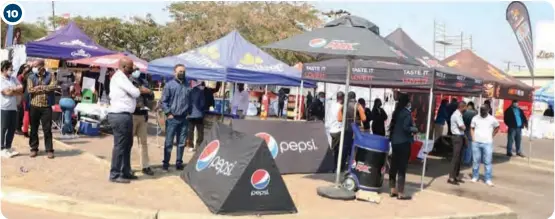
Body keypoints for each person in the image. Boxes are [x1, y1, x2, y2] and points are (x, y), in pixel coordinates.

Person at [107, 58, 150, 183]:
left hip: (125, 115)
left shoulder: (124, 78)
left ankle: (125, 171)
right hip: (119, 115)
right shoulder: (119, 77)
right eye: (131, 67)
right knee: (120, 146)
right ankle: (115, 174)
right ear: (124, 67)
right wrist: (142, 90)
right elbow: (135, 93)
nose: (133, 69)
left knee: (127, 145)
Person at [160, 64, 191, 172]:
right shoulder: (169, 85)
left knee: (181, 143)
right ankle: (166, 164)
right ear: (175, 72)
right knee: (169, 142)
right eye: (180, 71)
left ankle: (179, 163)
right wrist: (168, 113)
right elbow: (163, 101)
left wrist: (189, 113)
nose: (182, 73)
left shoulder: (188, 85)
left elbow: (190, 101)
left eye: (183, 71)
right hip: (172, 118)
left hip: (184, 119)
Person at [388, 93, 417, 200]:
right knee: (402, 168)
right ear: (407, 102)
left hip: (395, 142)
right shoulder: (406, 113)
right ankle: (400, 192)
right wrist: (414, 129)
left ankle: (392, 189)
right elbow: (406, 127)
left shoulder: (396, 112)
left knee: (394, 166)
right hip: (404, 142)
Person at [27, 60, 57, 159]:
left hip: (46, 106)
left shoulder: (50, 75)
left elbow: (53, 86)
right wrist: (44, 87)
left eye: (35, 66)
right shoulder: (31, 76)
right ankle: (34, 148)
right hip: (34, 105)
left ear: (41, 66)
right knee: (33, 129)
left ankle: (49, 150)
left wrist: (40, 87)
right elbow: (30, 89)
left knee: (47, 129)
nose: (33, 68)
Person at [129, 69, 154, 176]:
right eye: (135, 69)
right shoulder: (127, 81)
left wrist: (149, 92)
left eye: (138, 69)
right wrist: (138, 90)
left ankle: (145, 166)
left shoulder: (144, 81)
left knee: (143, 143)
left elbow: (151, 96)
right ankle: (127, 166)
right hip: (131, 115)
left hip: (143, 115)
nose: (137, 71)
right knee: (128, 143)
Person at [470, 106, 500, 186]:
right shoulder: (475, 118)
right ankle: (475, 176)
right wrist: (473, 138)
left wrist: (492, 135)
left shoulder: (492, 119)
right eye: (481, 110)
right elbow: (472, 128)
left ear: (488, 110)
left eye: (484, 110)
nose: (482, 111)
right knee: (476, 161)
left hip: (487, 143)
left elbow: (497, 127)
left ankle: (488, 179)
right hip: (476, 142)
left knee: (488, 161)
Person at [338, 92, 366, 171]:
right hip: (355, 130)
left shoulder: (343, 106)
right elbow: (364, 118)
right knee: (354, 149)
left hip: (345, 129)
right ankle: (352, 167)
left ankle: (341, 166)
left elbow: (339, 119)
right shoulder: (358, 106)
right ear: (355, 97)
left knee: (344, 148)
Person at [1, 60, 23, 158]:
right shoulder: (1, 80)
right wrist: (15, 90)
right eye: (10, 69)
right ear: (4, 69)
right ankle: (2, 148)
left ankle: (8, 147)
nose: (12, 71)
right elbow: (6, 93)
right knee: (3, 128)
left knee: (12, 128)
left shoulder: (13, 79)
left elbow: (21, 89)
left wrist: (12, 90)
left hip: (13, 107)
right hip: (3, 107)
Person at [448, 101, 467, 185]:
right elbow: (462, 127)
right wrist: (464, 127)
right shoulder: (456, 115)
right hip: (457, 137)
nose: (466, 109)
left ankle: (456, 176)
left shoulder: (459, 115)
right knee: (455, 157)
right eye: (465, 107)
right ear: (462, 107)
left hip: (460, 137)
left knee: (459, 157)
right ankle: (451, 177)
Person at [327, 91, 344, 172]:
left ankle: (332, 166)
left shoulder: (331, 105)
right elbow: (341, 120)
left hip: (330, 129)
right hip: (338, 130)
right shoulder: (341, 107)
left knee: (332, 149)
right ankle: (334, 167)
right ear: (342, 98)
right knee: (337, 150)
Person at [186, 80, 205, 152]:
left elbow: (186, 102)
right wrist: (200, 109)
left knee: (190, 130)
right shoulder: (200, 92)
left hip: (190, 114)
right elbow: (202, 103)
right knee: (200, 131)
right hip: (199, 114)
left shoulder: (189, 91)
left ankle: (190, 146)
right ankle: (199, 145)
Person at [16, 64, 31, 137]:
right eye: (26, 68)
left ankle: (22, 129)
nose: (27, 69)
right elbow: (20, 88)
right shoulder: (20, 77)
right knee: (22, 113)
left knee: (24, 113)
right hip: (21, 97)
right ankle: (18, 128)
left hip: (25, 97)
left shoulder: (28, 77)